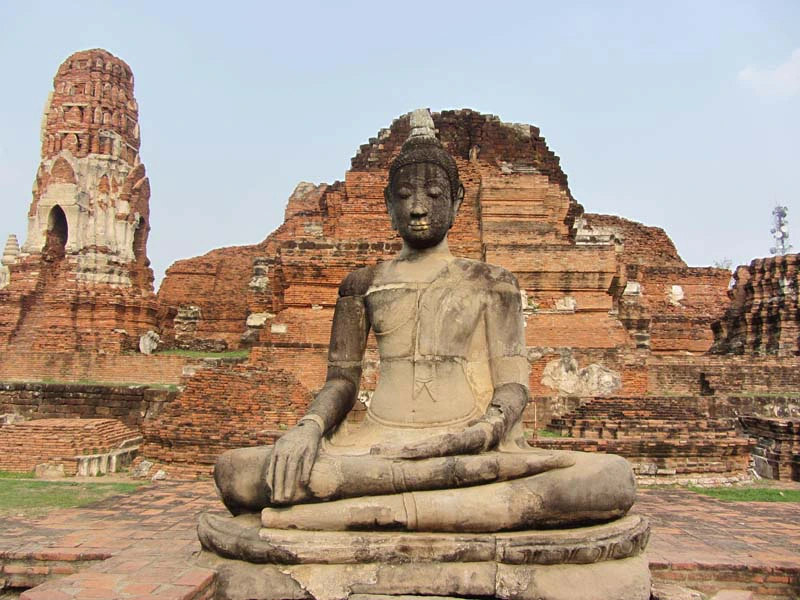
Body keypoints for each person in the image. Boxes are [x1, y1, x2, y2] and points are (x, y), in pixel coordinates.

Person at [214, 110, 635, 532]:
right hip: (375, 445)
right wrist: (308, 429)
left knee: (609, 478)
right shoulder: (362, 285)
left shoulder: (492, 282)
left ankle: (352, 514)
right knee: (236, 473)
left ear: (456, 201)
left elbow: (512, 384)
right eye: (404, 195)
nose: (418, 208)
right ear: (387, 204)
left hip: (469, 445)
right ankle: (451, 513)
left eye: (434, 194)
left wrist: (486, 430)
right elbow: (342, 381)